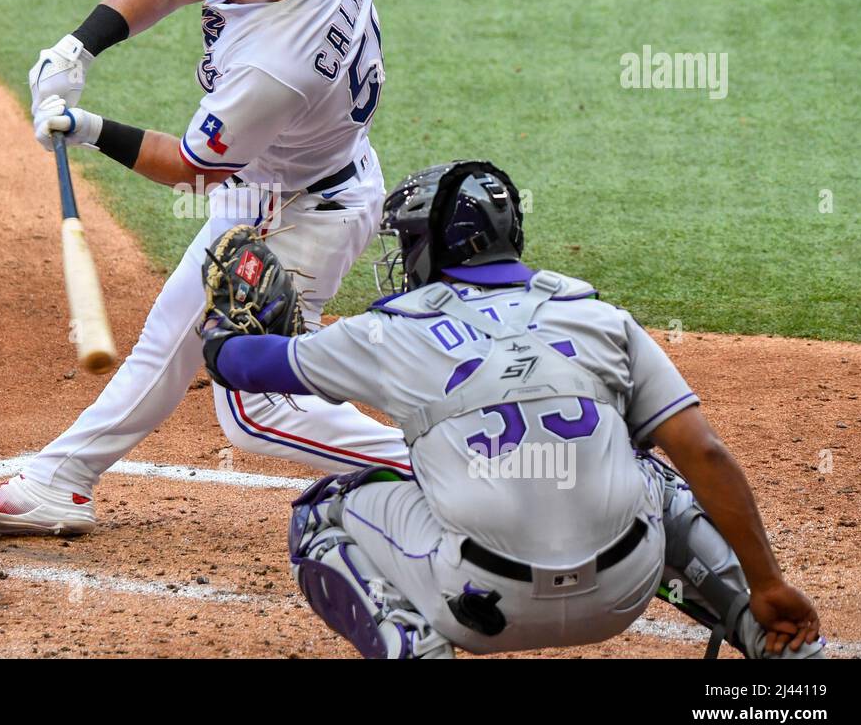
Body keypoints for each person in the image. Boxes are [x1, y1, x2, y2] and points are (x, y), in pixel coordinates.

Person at [0, 0, 410, 535]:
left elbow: (194, 170)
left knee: (259, 408)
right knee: (172, 338)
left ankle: (436, 466)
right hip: (286, 180)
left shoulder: (276, 65)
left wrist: (89, 129)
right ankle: (61, 481)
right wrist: (79, 47)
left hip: (304, 213)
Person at [202, 160, 825, 658]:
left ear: (434, 246)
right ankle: (772, 636)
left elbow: (241, 364)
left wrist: (224, 328)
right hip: (622, 591)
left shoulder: (389, 334)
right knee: (658, 473)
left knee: (322, 516)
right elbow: (706, 454)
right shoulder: (597, 317)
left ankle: (410, 647)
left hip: (479, 604)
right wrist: (770, 581)